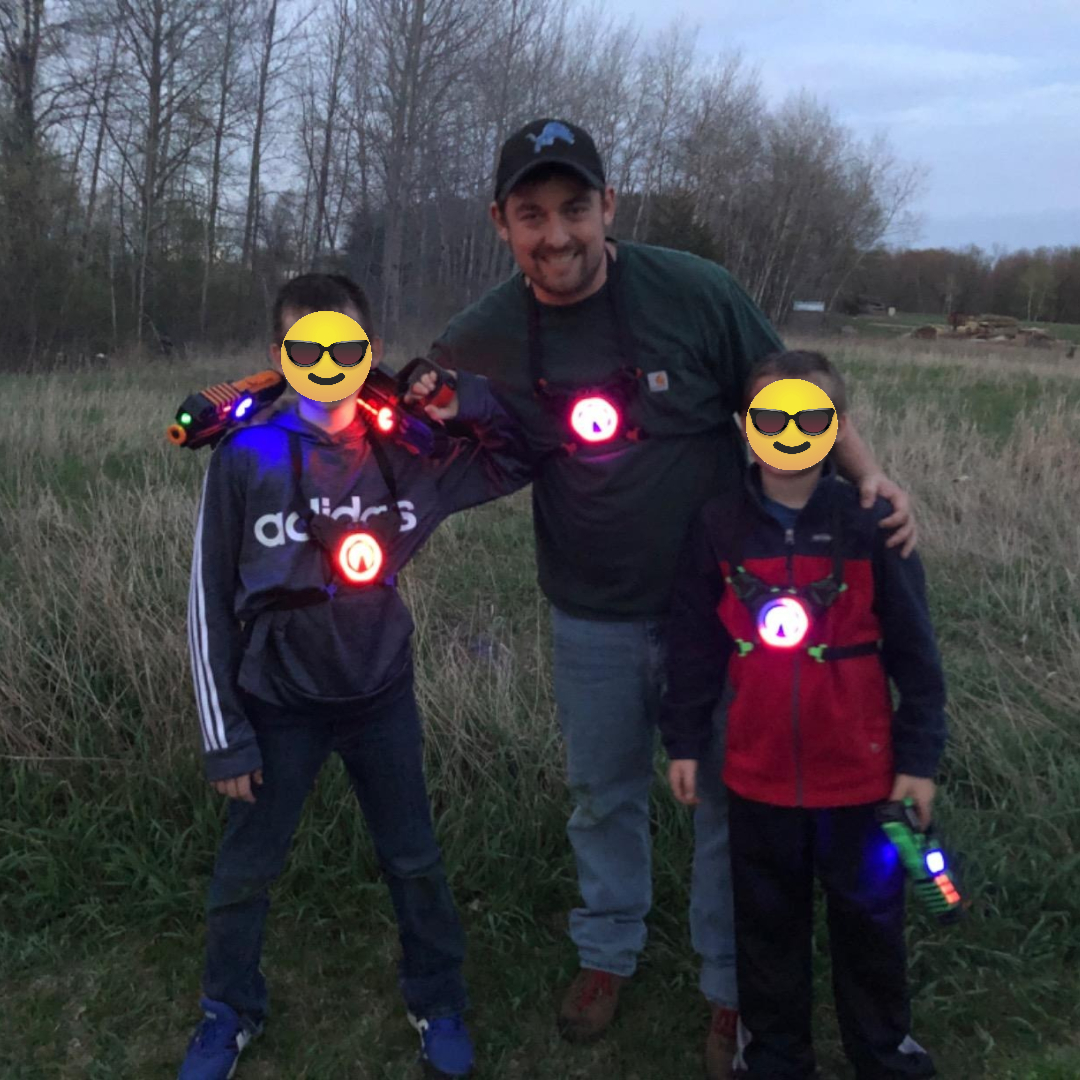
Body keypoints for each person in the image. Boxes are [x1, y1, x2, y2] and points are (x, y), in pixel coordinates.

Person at [425, 119, 919, 1077]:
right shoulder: (483, 331)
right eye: (532, 215)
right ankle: (607, 950)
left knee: (730, 798)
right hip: (589, 608)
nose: (556, 235)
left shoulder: (698, 292)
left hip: (730, 615)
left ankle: (732, 983)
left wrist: (872, 478)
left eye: (575, 209)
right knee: (602, 796)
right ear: (500, 222)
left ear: (610, 206)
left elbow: (791, 391)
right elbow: (409, 416)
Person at [177, 273, 530, 1080]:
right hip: (275, 701)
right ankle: (227, 1010)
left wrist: (454, 399)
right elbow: (205, 598)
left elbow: (516, 457)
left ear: (367, 354)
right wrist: (225, 737)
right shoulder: (246, 456)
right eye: (309, 348)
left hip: (380, 694)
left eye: (346, 348)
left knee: (412, 858)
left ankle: (437, 1000)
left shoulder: (406, 454)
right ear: (280, 358)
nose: (328, 362)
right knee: (246, 869)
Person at [661, 349, 946, 1079]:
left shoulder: (873, 523)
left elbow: (917, 652)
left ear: (837, 428)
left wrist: (918, 760)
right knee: (766, 930)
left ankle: (883, 1049)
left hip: (861, 781)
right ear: (747, 428)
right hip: (758, 781)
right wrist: (687, 741)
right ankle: (778, 1055)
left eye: (810, 418)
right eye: (773, 417)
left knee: (872, 925)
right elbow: (694, 645)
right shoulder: (717, 525)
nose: (790, 430)